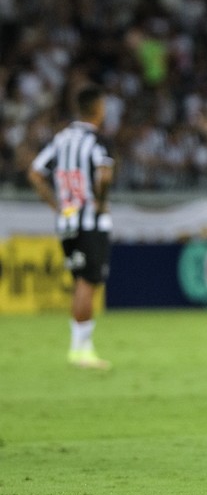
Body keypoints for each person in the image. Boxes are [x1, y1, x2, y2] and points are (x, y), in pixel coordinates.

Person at [28, 85, 115, 370]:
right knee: (88, 283)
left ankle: (79, 346)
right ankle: (82, 349)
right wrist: (100, 202)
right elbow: (104, 174)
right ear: (98, 109)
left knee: (80, 282)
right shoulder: (97, 141)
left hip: (66, 222)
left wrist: (55, 204)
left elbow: (35, 172)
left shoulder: (61, 139)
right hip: (90, 222)